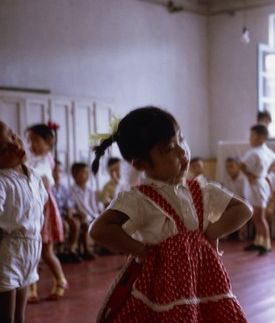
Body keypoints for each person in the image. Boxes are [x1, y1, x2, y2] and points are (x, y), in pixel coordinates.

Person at [89, 106, 251, 321]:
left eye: (181, 140)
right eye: (169, 149)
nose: (182, 151)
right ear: (140, 163)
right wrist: (140, 250)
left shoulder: (201, 191)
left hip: (204, 281)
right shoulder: (139, 199)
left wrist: (212, 233)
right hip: (163, 290)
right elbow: (99, 229)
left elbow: (243, 209)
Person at [0, 121, 47, 323]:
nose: (16, 146)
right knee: (6, 316)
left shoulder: (34, 175)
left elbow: (41, 202)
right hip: (9, 250)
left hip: (32, 247)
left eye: (13, 135)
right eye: (3, 149)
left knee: (20, 315)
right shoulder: (2, 180)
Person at [25, 123, 68, 302]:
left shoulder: (45, 159)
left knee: (46, 252)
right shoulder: (33, 158)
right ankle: (31, 286)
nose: (31, 145)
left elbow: (38, 174)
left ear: (48, 141)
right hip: (33, 207)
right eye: (29, 141)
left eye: (35, 141)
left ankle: (60, 280)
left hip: (45, 208)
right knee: (33, 251)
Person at [240, 124, 275, 256]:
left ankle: (267, 244)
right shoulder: (259, 151)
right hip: (255, 184)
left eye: (252, 136)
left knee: (260, 217)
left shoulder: (257, 152)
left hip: (259, 184)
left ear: (261, 138)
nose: (250, 139)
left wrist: (258, 175)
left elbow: (241, 165)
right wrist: (250, 176)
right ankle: (258, 242)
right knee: (255, 217)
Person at [70, 162, 101, 260]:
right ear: (75, 175)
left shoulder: (90, 190)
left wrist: (100, 213)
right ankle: (87, 250)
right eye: (84, 173)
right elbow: (72, 208)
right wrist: (77, 213)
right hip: (82, 217)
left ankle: (105, 247)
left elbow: (95, 206)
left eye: (88, 173)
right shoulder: (71, 191)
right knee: (86, 224)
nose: (87, 176)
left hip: (93, 215)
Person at [52, 160, 81, 263]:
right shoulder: (48, 187)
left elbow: (68, 205)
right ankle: (59, 252)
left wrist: (70, 216)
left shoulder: (63, 188)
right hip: (53, 217)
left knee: (75, 223)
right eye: (55, 171)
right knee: (64, 226)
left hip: (63, 216)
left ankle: (71, 249)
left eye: (60, 171)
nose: (57, 174)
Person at [265, 163, 275, 239]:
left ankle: (268, 233)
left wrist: (272, 203)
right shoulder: (258, 176)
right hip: (259, 201)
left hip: (270, 200)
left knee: (269, 212)